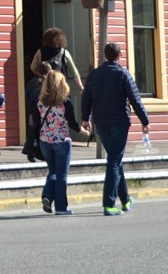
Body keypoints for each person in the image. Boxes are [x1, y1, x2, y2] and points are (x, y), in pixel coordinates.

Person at [81, 42, 151, 216]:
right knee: (113, 161)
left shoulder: (94, 75)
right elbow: (135, 99)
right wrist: (145, 121)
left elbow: (86, 98)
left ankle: (125, 200)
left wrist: (85, 118)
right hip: (119, 122)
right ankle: (108, 204)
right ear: (119, 56)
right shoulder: (123, 74)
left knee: (115, 160)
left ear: (106, 55)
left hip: (102, 124)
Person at [38, 69, 84, 215]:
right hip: (61, 141)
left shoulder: (40, 103)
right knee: (62, 175)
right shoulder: (65, 102)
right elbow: (72, 123)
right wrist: (84, 131)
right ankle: (61, 207)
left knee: (53, 172)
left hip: (45, 141)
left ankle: (47, 196)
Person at [30, 27, 84, 94]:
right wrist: (81, 87)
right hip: (60, 88)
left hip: (45, 89)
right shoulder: (64, 52)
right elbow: (74, 72)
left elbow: (33, 68)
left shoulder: (40, 52)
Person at [22, 60, 50, 162]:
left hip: (32, 110)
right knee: (39, 130)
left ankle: (31, 151)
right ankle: (33, 151)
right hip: (39, 111)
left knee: (33, 130)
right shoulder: (43, 84)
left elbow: (29, 96)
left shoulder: (31, 83)